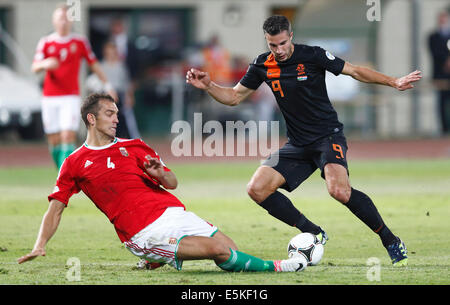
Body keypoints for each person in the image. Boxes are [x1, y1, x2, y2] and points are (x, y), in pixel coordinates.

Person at [186, 15, 422, 266]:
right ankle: (314, 232)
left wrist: (393, 81)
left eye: (283, 43)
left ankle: (390, 240)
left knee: (339, 190)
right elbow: (234, 97)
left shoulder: (313, 55)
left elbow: (354, 71)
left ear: (291, 37)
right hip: (297, 144)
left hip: (327, 136)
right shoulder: (262, 65)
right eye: (272, 45)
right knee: (256, 188)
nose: (279, 50)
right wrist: (210, 85)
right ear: (267, 42)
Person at [17, 93, 308, 273]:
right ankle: (280, 267)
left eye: (117, 113)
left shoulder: (135, 146)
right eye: (109, 114)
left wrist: (159, 173)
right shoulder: (75, 161)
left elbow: (173, 182)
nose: (116, 118)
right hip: (142, 231)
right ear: (91, 119)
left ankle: (160, 259)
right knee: (218, 252)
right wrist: (40, 244)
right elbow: (56, 208)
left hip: (173, 212)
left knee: (229, 249)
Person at [32, 4, 117, 169]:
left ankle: (65, 178)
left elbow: (94, 64)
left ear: (70, 21)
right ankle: (62, 172)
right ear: (54, 21)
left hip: (70, 96)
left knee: (68, 135)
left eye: (66, 18)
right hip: (49, 97)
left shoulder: (79, 41)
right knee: (54, 139)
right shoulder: (46, 42)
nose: (63, 22)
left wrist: (107, 85)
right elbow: (35, 67)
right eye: (60, 18)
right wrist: (45, 63)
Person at [86, 41, 140, 139]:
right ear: (105, 53)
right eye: (108, 52)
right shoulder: (101, 66)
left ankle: (132, 141)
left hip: (119, 97)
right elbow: (93, 84)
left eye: (113, 51)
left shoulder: (121, 67)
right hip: (104, 98)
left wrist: (129, 97)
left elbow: (126, 84)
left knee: (124, 122)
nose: (111, 54)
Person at [428, 9, 450, 135]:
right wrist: (446, 62)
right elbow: (435, 53)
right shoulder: (433, 37)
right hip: (440, 75)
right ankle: (444, 130)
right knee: (441, 103)